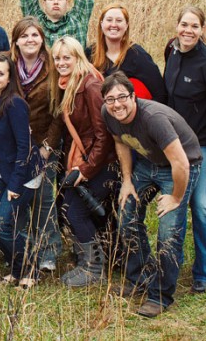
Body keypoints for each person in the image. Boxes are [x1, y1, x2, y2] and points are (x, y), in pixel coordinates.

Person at [101, 71, 202, 318]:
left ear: (133, 97)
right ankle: (140, 278)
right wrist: (127, 180)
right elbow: (121, 141)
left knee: (168, 231)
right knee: (126, 215)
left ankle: (160, 296)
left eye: (122, 97)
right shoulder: (108, 113)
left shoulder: (154, 118)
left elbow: (181, 164)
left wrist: (176, 198)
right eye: (110, 99)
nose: (116, 104)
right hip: (148, 163)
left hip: (180, 166)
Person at [164, 6, 206, 294]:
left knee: (200, 206)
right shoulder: (172, 51)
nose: (188, 31)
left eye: (194, 26)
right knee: (175, 203)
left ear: (202, 30)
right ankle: (171, 264)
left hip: (200, 148)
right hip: (172, 144)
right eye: (184, 25)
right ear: (176, 26)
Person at [48, 37, 119, 287]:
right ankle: (85, 259)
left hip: (102, 162)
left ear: (78, 57)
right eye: (57, 58)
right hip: (85, 157)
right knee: (67, 206)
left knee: (74, 210)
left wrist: (86, 170)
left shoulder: (90, 85)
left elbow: (104, 135)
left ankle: (93, 268)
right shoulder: (68, 83)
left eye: (66, 57)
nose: (61, 63)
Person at [0, 53, 45, 288]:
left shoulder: (15, 104)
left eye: (0, 74)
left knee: (1, 225)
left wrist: (16, 183)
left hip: (23, 174)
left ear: (9, 79)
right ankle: (18, 268)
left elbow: (24, 146)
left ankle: (30, 267)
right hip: (3, 170)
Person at [8, 17, 63, 272]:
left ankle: (49, 250)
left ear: (42, 39)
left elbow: (59, 112)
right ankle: (23, 249)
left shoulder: (53, 67)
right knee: (18, 196)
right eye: (24, 36)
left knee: (43, 198)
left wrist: (47, 147)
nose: (30, 40)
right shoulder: (7, 65)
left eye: (34, 35)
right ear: (16, 41)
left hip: (44, 143)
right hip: (16, 145)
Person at [88, 3, 167, 104]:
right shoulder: (90, 53)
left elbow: (160, 94)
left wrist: (141, 111)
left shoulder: (138, 55)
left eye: (119, 20)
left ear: (126, 25)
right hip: (99, 110)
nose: (113, 24)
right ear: (101, 24)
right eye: (109, 20)